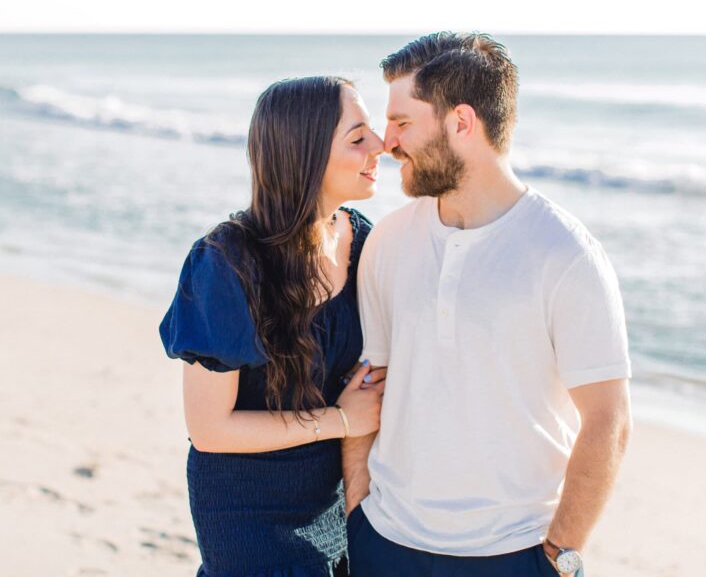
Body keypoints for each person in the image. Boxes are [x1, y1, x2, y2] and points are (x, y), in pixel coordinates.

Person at [342, 33, 633, 577]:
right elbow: (370, 381)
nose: (387, 142)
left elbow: (608, 421)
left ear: (461, 123)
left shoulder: (565, 255)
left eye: (403, 123)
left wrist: (558, 557)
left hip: (514, 556)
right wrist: (358, 510)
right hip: (384, 541)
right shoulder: (387, 241)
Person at [160, 75, 387, 576]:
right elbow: (210, 429)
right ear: (304, 155)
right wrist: (340, 420)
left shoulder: (367, 244)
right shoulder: (225, 261)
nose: (381, 145)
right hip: (245, 512)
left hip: (329, 508)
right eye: (357, 138)